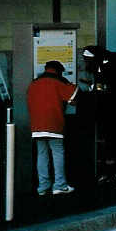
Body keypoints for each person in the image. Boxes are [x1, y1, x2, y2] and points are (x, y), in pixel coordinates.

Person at [27, 61, 78, 196]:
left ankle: (43, 186)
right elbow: (73, 96)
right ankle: (59, 185)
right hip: (54, 123)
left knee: (42, 154)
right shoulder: (58, 82)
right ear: (59, 71)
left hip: (37, 125)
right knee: (57, 153)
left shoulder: (34, 83)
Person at [83, 45, 116, 185]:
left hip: (113, 112)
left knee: (114, 144)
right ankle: (114, 172)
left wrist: (94, 88)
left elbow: (108, 88)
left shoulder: (108, 67)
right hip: (112, 111)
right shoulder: (107, 64)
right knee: (112, 144)